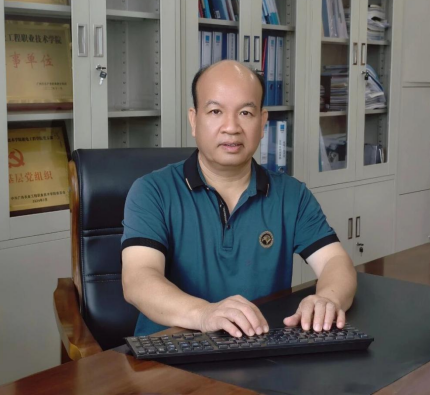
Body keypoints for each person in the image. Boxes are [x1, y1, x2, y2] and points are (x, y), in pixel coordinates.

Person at [121, 60, 357, 338]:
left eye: (245, 112)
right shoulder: (152, 191)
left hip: (259, 345)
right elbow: (138, 279)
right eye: (215, 111)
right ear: (194, 120)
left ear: (263, 122)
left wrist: (328, 299)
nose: (231, 127)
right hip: (169, 353)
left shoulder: (292, 195)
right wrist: (204, 313)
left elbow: (334, 261)